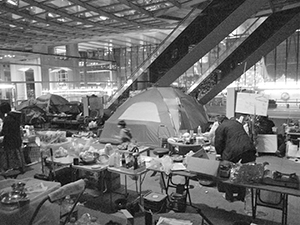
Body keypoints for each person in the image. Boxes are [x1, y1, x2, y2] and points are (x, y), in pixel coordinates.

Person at [215, 115, 256, 202]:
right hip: (249, 148)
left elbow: (218, 142)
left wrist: (219, 154)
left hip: (234, 150)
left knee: (226, 170)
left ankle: (229, 196)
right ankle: (241, 195)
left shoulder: (221, 127)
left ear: (219, 122)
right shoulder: (236, 123)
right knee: (243, 171)